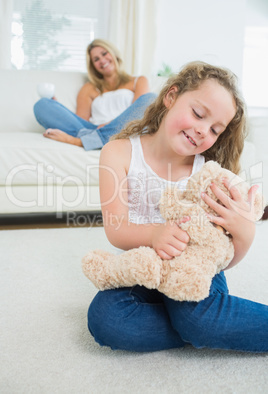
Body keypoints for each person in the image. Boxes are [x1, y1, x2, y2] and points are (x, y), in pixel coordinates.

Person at [87, 61, 268, 353]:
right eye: (198, 114)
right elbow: (116, 229)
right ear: (171, 97)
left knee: (196, 316)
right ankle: (202, 330)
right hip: (145, 267)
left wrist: (245, 234)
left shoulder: (208, 172)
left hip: (193, 270)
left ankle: (200, 326)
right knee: (105, 318)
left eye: (214, 129)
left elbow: (220, 257)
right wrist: (156, 235)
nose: (202, 131)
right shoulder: (118, 152)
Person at [33, 39, 156, 150]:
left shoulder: (138, 81)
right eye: (96, 59)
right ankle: (93, 140)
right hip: (92, 129)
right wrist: (58, 109)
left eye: (104, 54)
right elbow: (80, 123)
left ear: (113, 53)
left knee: (150, 99)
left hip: (123, 131)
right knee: (42, 105)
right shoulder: (88, 88)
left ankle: (86, 141)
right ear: (93, 66)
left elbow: (138, 116)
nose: (102, 60)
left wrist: (109, 125)